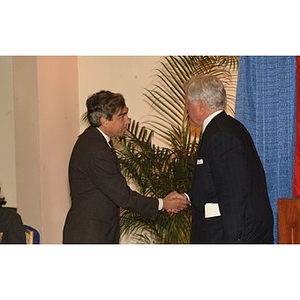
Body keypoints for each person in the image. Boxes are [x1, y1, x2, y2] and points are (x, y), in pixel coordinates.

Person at [63, 90, 189, 244]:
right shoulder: (97, 150)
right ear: (104, 120)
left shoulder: (93, 140)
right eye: (121, 116)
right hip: (91, 237)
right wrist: (163, 203)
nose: (128, 121)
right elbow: (124, 197)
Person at [180, 74, 274, 243]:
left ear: (201, 104)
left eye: (188, 103)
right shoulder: (226, 127)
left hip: (229, 237)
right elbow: (214, 184)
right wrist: (187, 197)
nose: (187, 109)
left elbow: (234, 196)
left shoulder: (220, 135)